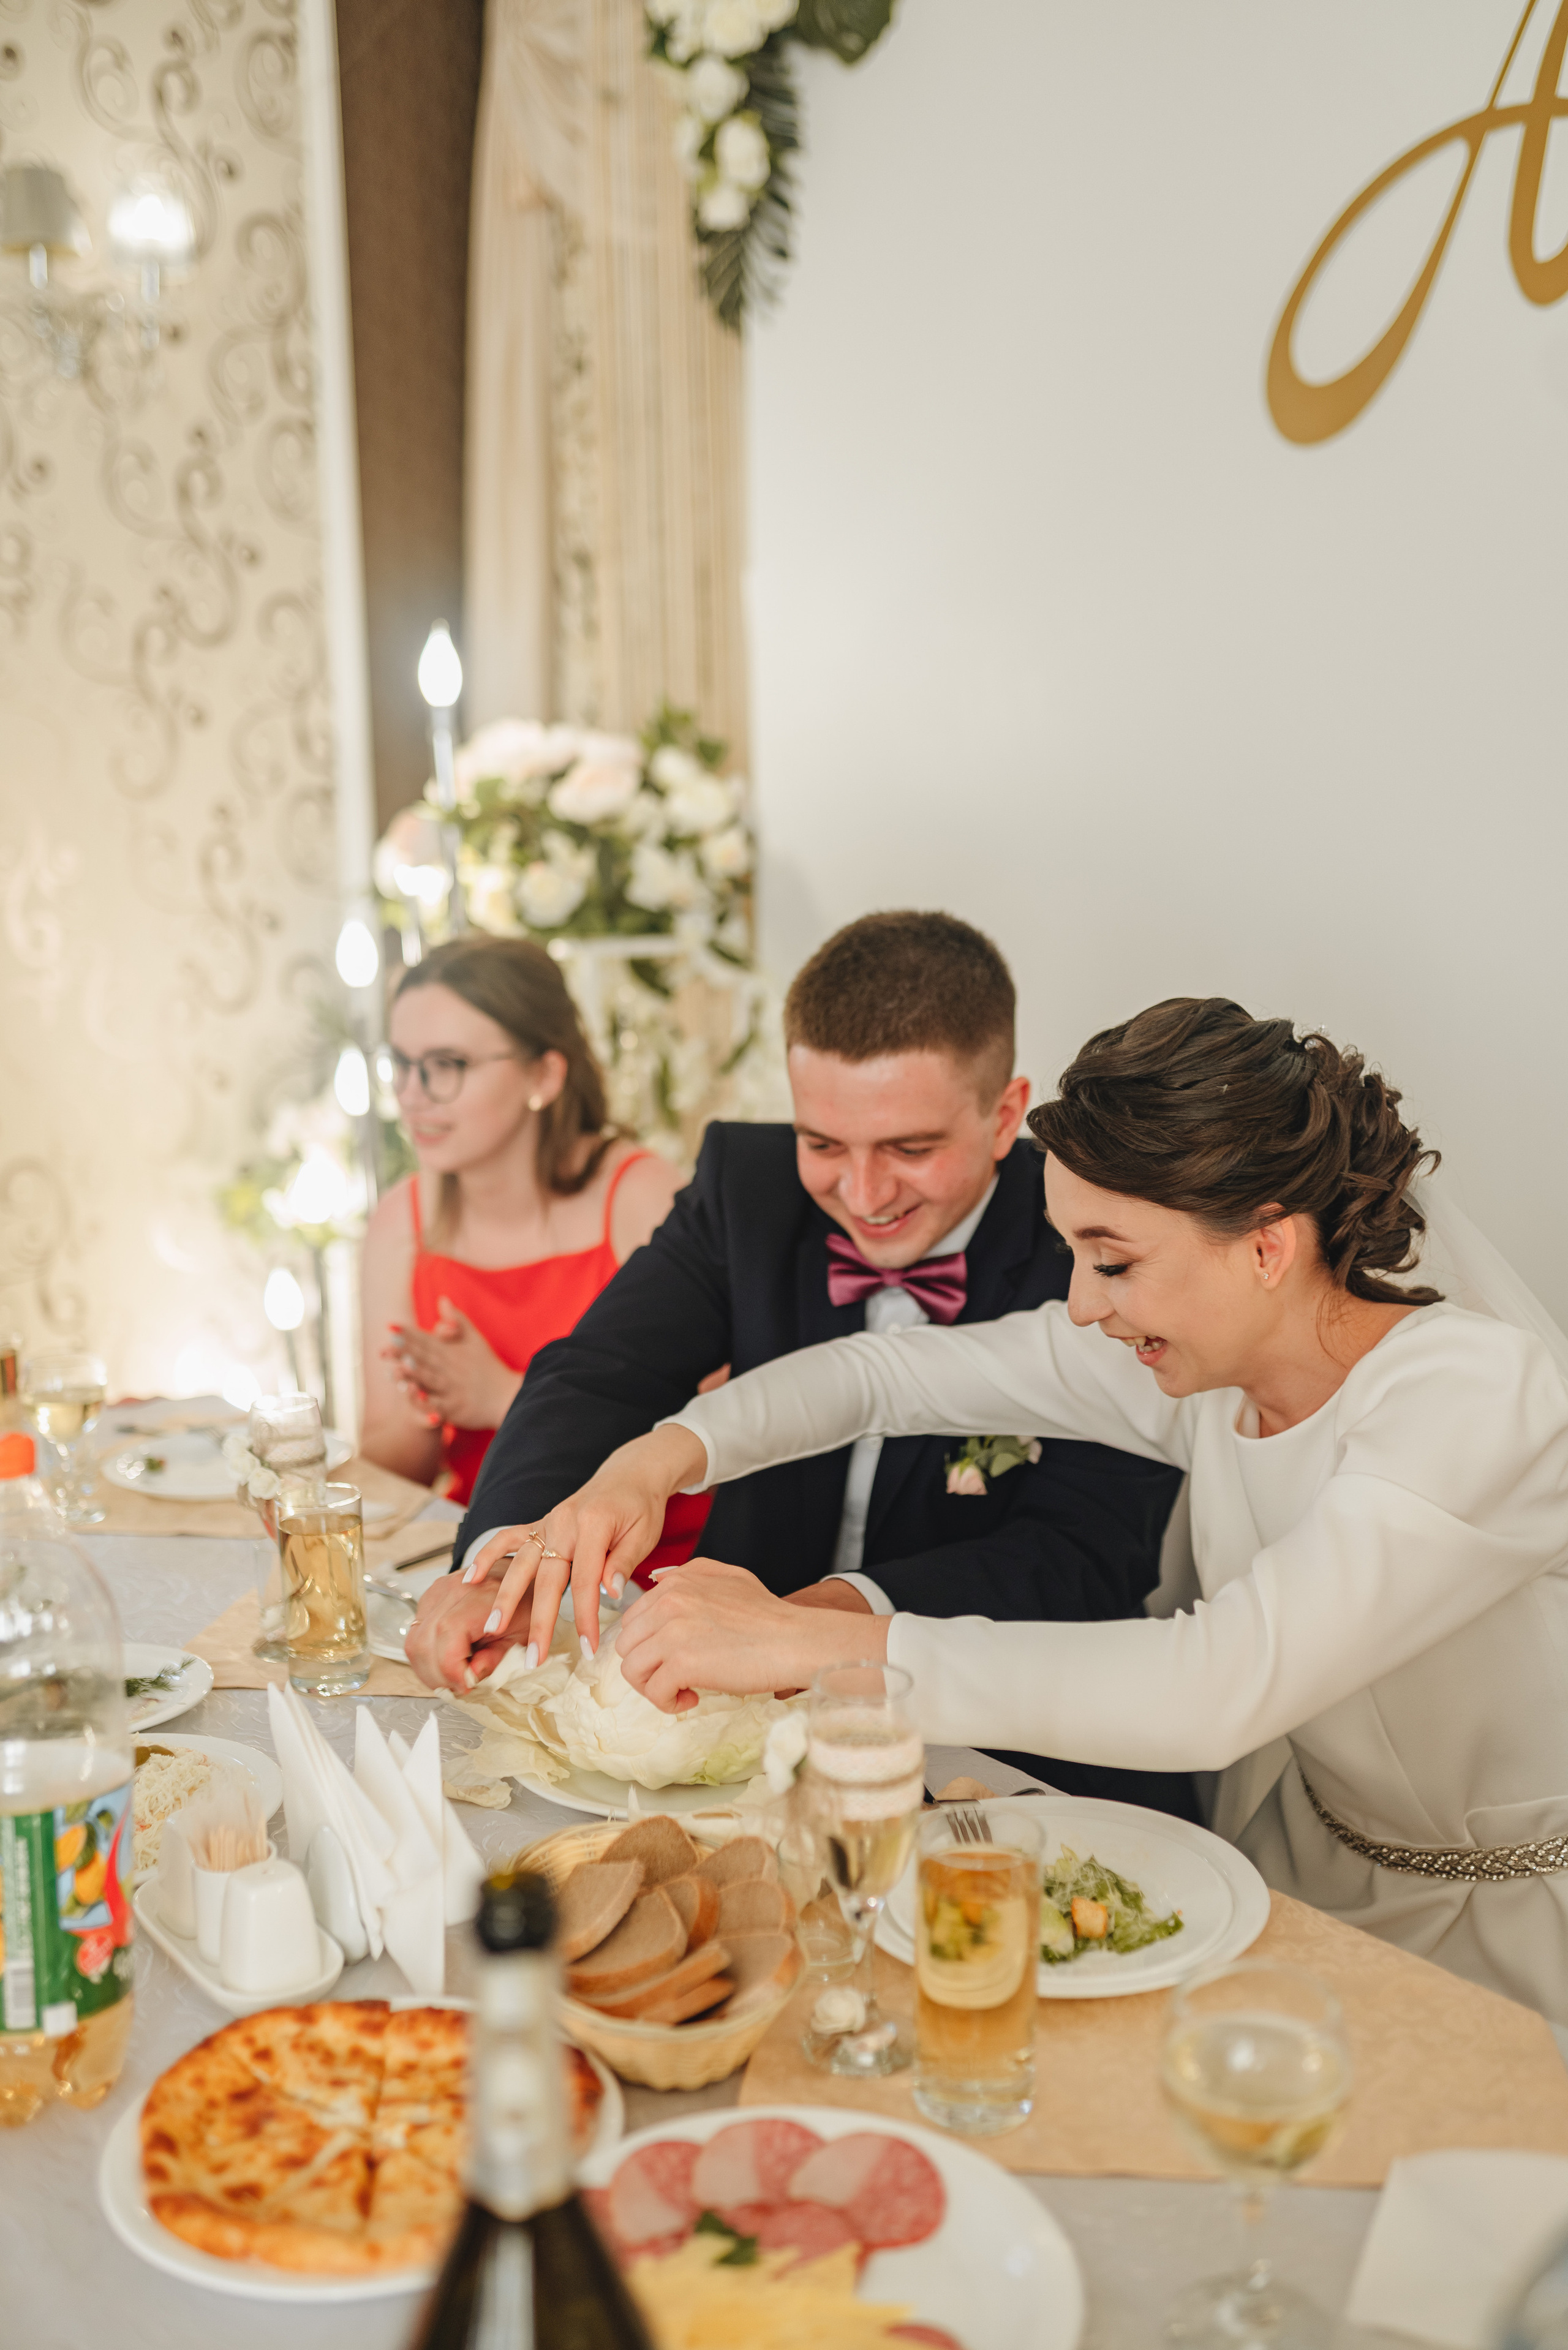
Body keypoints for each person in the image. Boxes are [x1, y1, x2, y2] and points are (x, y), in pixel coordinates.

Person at [472, 997, 1568, 2025]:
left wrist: (810, 1643)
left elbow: (1218, 1681)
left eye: (1113, 1262)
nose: (1082, 1305)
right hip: (1296, 1876)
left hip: (1518, 1931)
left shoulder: (1472, 1395)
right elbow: (883, 1375)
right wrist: (654, 1462)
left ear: (1268, 1246)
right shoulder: (1202, 1369)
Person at [411, 911, 1193, 1819]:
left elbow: (1083, 1556)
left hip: (1016, 1753)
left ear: (1003, 1115)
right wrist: (501, 1567)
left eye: (910, 1149)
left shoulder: (1092, 1246)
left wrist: (803, 1628)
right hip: (724, 1730)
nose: (862, 1194)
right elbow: (598, 1374)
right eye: (823, 1144)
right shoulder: (746, 1188)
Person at [357, 934, 682, 1504]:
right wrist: (424, 1404)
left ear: (544, 1076)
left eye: (446, 1064)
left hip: (645, 1550)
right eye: (402, 1064)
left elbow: (711, 1430)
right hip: (481, 1546)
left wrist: (504, 1396)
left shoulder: (642, 1197)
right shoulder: (400, 1219)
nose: (412, 1094)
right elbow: (392, 1471)